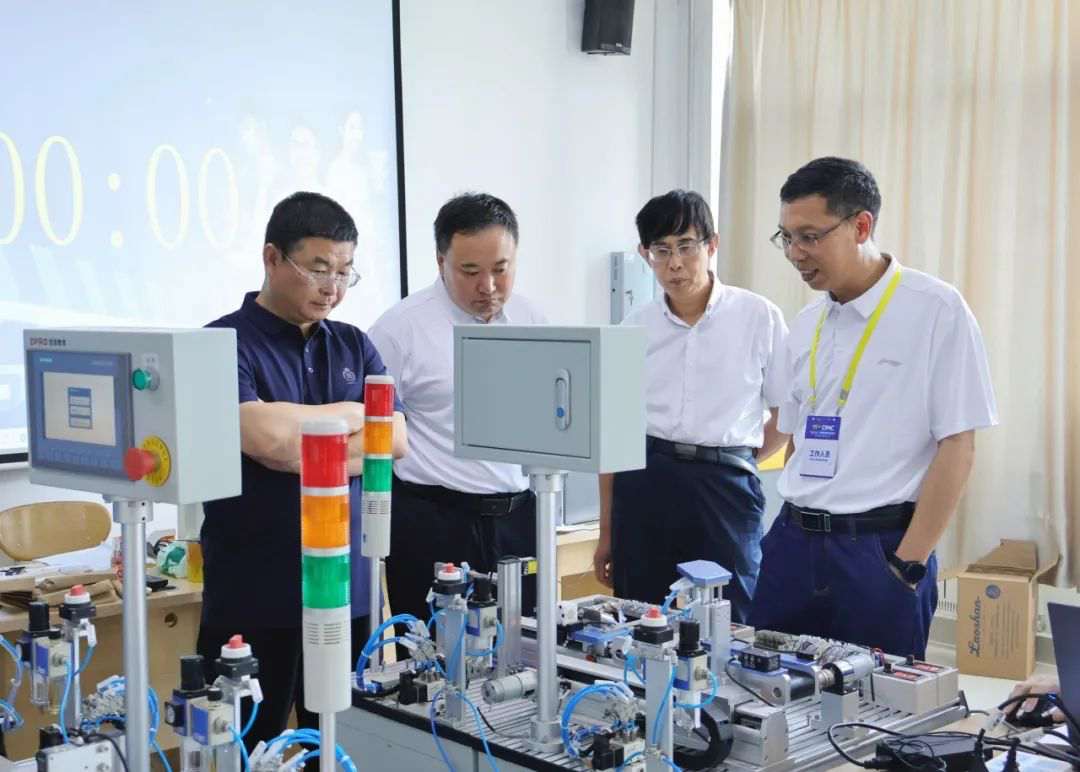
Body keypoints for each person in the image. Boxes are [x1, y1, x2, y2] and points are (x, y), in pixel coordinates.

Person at [748, 157, 997, 659]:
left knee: (877, 701)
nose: (795, 253)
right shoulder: (807, 322)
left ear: (861, 226)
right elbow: (798, 438)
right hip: (793, 544)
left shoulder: (935, 309)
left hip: (878, 551)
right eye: (786, 238)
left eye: (810, 236)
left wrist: (908, 564)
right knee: (766, 685)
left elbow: (959, 445)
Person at [200, 191, 407, 747]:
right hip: (255, 590)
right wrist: (356, 416)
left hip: (348, 592)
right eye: (317, 269)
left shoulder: (354, 344)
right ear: (272, 259)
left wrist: (302, 444)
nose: (332, 287)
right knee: (247, 745)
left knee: (345, 743)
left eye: (344, 271)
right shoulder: (221, 342)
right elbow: (262, 436)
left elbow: (397, 440)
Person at [592, 190, 789, 622]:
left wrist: (740, 459)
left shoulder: (759, 316)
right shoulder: (633, 328)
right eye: (661, 251)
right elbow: (613, 436)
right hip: (645, 482)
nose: (675, 263)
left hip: (725, 488)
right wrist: (607, 531)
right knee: (639, 617)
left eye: (686, 246)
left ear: (711, 245)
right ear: (644, 255)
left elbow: (786, 415)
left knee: (731, 619)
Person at [368, 192, 546, 626]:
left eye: (501, 269)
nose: (488, 286)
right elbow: (373, 439)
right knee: (432, 653)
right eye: (470, 272)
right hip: (434, 522)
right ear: (440, 261)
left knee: (523, 648)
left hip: (519, 521)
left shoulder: (532, 319)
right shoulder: (398, 330)